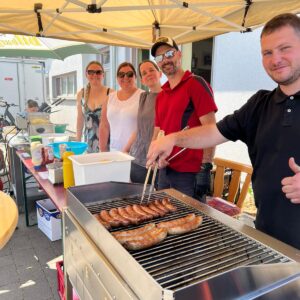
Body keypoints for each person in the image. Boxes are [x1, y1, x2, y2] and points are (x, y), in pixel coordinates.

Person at [147, 13, 300, 249]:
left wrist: (203, 167)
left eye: (285, 48)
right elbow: (214, 132)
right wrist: (172, 139)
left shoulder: (195, 83)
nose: (275, 59)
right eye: (267, 53)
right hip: (268, 237)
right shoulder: (259, 104)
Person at [149, 36, 217, 199]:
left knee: (190, 222)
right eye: (160, 57)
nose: (165, 60)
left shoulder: (195, 84)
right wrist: (154, 155)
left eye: (169, 54)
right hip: (165, 169)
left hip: (190, 174)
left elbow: (211, 128)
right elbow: (159, 131)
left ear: (179, 55)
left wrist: (205, 167)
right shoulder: (161, 95)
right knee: (166, 220)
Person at [125, 60, 162, 183]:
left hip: (155, 161)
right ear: (142, 80)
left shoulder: (168, 97)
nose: (148, 74)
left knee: (154, 200)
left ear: (160, 73)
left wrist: (154, 156)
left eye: (152, 70)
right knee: (137, 198)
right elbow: (139, 128)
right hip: (137, 158)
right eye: (144, 73)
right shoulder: (144, 97)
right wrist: (125, 149)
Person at [99, 62, 143, 152]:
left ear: (135, 77)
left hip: (135, 152)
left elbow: (144, 127)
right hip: (114, 151)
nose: (125, 77)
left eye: (129, 74)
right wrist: (102, 150)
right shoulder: (110, 97)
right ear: (117, 78)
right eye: (121, 75)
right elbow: (104, 125)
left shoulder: (143, 96)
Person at [76, 61, 112, 153]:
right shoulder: (81, 94)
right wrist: (77, 141)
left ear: (103, 75)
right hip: (88, 143)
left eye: (98, 72)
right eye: (91, 72)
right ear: (86, 74)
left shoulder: (111, 93)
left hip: (106, 143)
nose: (95, 75)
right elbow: (80, 120)